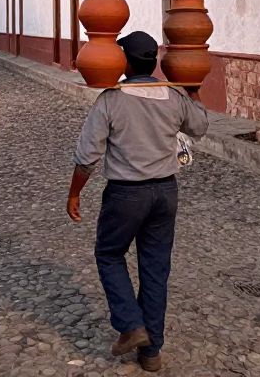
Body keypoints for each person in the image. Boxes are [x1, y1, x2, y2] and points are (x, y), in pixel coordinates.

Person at [67, 31, 209, 372]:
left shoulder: (111, 99)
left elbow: (88, 156)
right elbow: (201, 125)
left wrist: (74, 193)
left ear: (124, 63)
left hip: (126, 194)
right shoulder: (173, 96)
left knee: (109, 254)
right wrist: (192, 86)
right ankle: (151, 353)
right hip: (165, 193)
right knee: (155, 268)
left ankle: (131, 326)